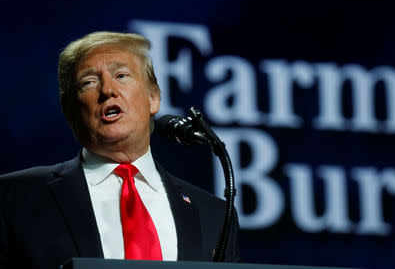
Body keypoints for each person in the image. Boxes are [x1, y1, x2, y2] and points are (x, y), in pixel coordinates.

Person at [0, 32, 239, 269]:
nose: (107, 90)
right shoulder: (14, 197)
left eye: (121, 75)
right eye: (89, 82)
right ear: (71, 112)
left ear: (153, 98)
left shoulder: (215, 215)